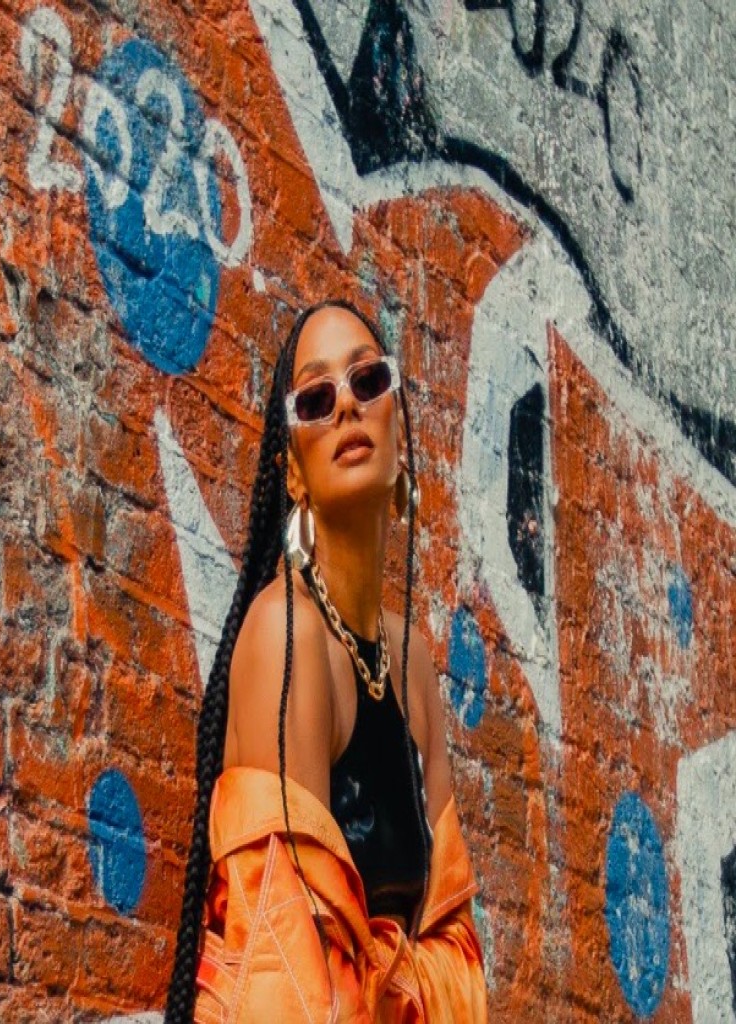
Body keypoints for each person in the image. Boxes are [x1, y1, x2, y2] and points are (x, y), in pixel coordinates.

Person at [164, 299, 488, 1022]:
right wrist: (405, 981)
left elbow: (455, 944)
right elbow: (296, 975)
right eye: (316, 398)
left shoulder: (411, 660)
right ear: (294, 473)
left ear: (398, 432)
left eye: (368, 382)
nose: (346, 405)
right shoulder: (287, 636)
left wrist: (399, 979)